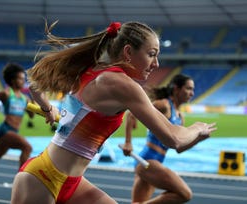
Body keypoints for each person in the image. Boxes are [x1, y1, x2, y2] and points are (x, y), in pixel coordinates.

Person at [11, 21, 216, 204]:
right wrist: (197, 128)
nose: (156, 64)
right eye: (151, 54)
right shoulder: (120, 83)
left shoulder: (93, 69)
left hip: (71, 182)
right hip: (43, 178)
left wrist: (48, 109)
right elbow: (173, 138)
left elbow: (35, 85)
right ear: (128, 52)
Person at [122, 74, 198, 204]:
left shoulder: (180, 116)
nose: (192, 93)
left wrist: (199, 138)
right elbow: (131, 113)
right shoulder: (164, 105)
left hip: (155, 163)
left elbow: (178, 148)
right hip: (147, 161)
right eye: (188, 88)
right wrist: (128, 142)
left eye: (193, 89)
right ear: (176, 89)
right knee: (185, 194)